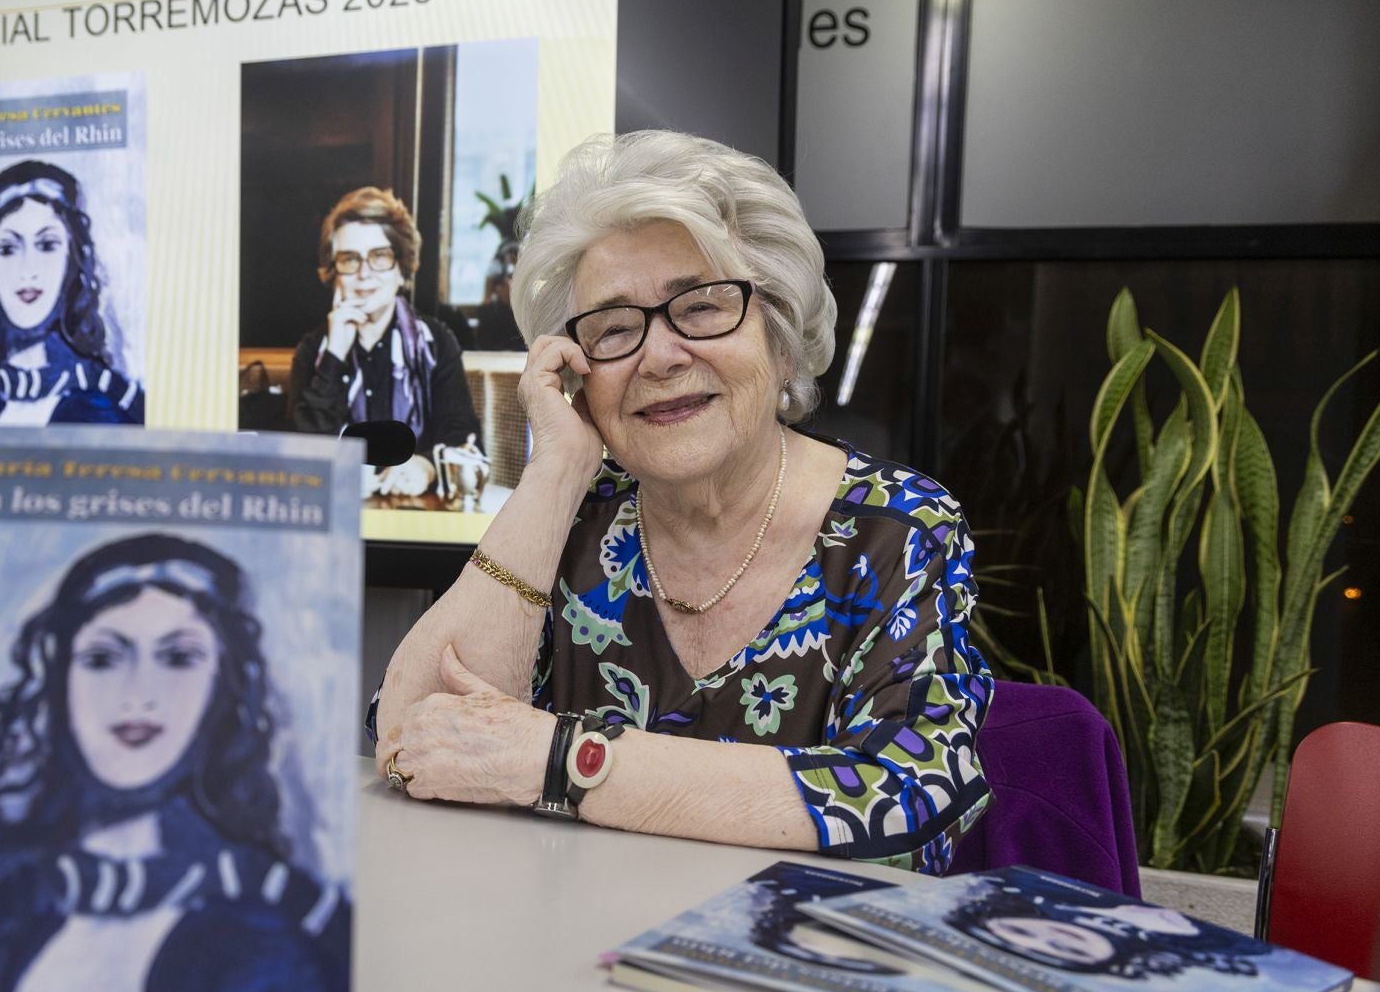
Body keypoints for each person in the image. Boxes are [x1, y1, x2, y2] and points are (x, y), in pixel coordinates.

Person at [371, 130, 992, 874]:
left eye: (700, 308)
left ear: (782, 340)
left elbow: (909, 796)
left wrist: (564, 760)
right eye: (613, 328)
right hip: (556, 948)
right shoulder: (573, 520)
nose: (659, 356)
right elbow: (411, 739)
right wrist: (558, 469)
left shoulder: (896, 529)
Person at [0, 536, 348, 992]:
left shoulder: (281, 915)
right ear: (60, 681)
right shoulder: (5, 913)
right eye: (104, 658)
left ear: (224, 682)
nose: (139, 694)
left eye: (179, 656)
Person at [286, 186, 483, 502]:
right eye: (350, 260)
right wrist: (334, 354)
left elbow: (465, 440)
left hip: (415, 520)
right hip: (334, 517)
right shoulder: (313, 349)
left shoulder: (436, 342)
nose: (364, 274)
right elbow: (299, 460)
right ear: (334, 272)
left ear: (401, 268)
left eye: (379, 257)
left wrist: (427, 466)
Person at [0, 159, 145, 427]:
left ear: (73, 258)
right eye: (8, 249)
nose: (27, 270)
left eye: (46, 245)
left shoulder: (108, 401)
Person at [944, 875, 1270, 980]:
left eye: (1020, 933)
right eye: (1069, 951)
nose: (1052, 937)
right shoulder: (1208, 949)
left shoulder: (1036, 886)